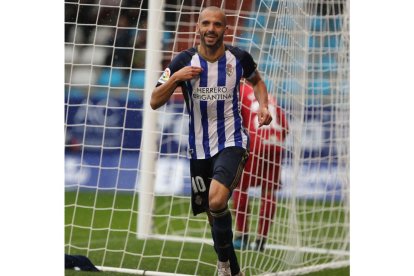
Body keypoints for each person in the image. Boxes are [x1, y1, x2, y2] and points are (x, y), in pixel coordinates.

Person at [150, 6, 272, 276]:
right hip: (199, 148)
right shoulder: (182, 61)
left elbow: (258, 82)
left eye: (217, 24)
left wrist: (264, 106)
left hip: (232, 141)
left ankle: (225, 266)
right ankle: (231, 268)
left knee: (216, 201)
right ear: (198, 27)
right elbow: (155, 100)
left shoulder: (239, 58)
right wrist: (177, 78)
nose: (211, 29)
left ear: (225, 29)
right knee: (212, 212)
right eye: (205, 23)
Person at [232, 83, 289, 252]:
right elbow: (285, 126)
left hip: (255, 142)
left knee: (241, 188)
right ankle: (261, 241)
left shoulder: (239, 91)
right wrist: (274, 141)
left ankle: (241, 236)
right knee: (269, 192)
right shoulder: (267, 94)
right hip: (276, 143)